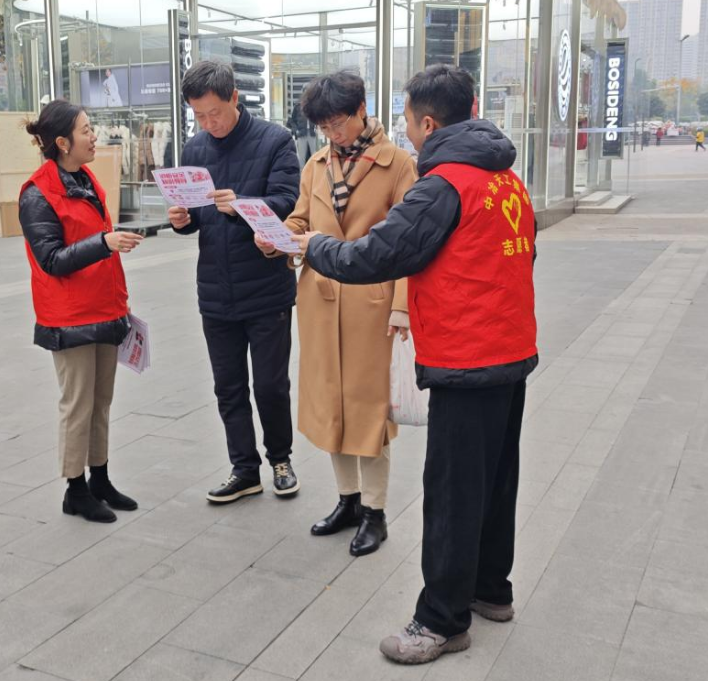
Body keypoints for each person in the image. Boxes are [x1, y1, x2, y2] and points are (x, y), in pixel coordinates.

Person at [291, 65, 537, 666]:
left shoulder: (442, 184)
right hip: (510, 350)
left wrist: (316, 247)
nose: (405, 130)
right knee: (495, 480)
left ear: (428, 123)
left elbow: (378, 254)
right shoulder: (506, 179)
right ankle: (491, 589)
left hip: (465, 357)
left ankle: (441, 620)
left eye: (408, 120)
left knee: (452, 492)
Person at [256, 71, 417, 556]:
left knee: (370, 411)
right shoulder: (317, 164)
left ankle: (375, 511)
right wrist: (276, 237)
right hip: (321, 303)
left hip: (372, 305)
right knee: (331, 405)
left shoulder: (398, 164)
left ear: (361, 109)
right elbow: (301, 219)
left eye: (338, 123)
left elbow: (410, 243)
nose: (332, 133)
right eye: (323, 127)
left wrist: (403, 307)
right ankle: (347, 500)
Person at [167, 61, 302, 504]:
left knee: (270, 385)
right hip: (215, 289)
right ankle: (244, 469)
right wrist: (182, 220)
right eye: (199, 116)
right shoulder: (195, 148)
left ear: (235, 99)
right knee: (227, 386)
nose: (209, 124)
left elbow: (287, 201)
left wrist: (241, 204)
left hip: (266, 288)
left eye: (215, 113)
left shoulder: (275, 140)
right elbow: (195, 219)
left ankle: (280, 459)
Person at [19, 100, 145, 523]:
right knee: (77, 405)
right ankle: (75, 489)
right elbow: (51, 260)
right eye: (87, 130)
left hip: (105, 307)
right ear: (62, 142)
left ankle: (100, 478)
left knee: (101, 402)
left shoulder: (85, 179)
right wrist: (104, 243)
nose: (94, 136)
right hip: (69, 316)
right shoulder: (37, 194)